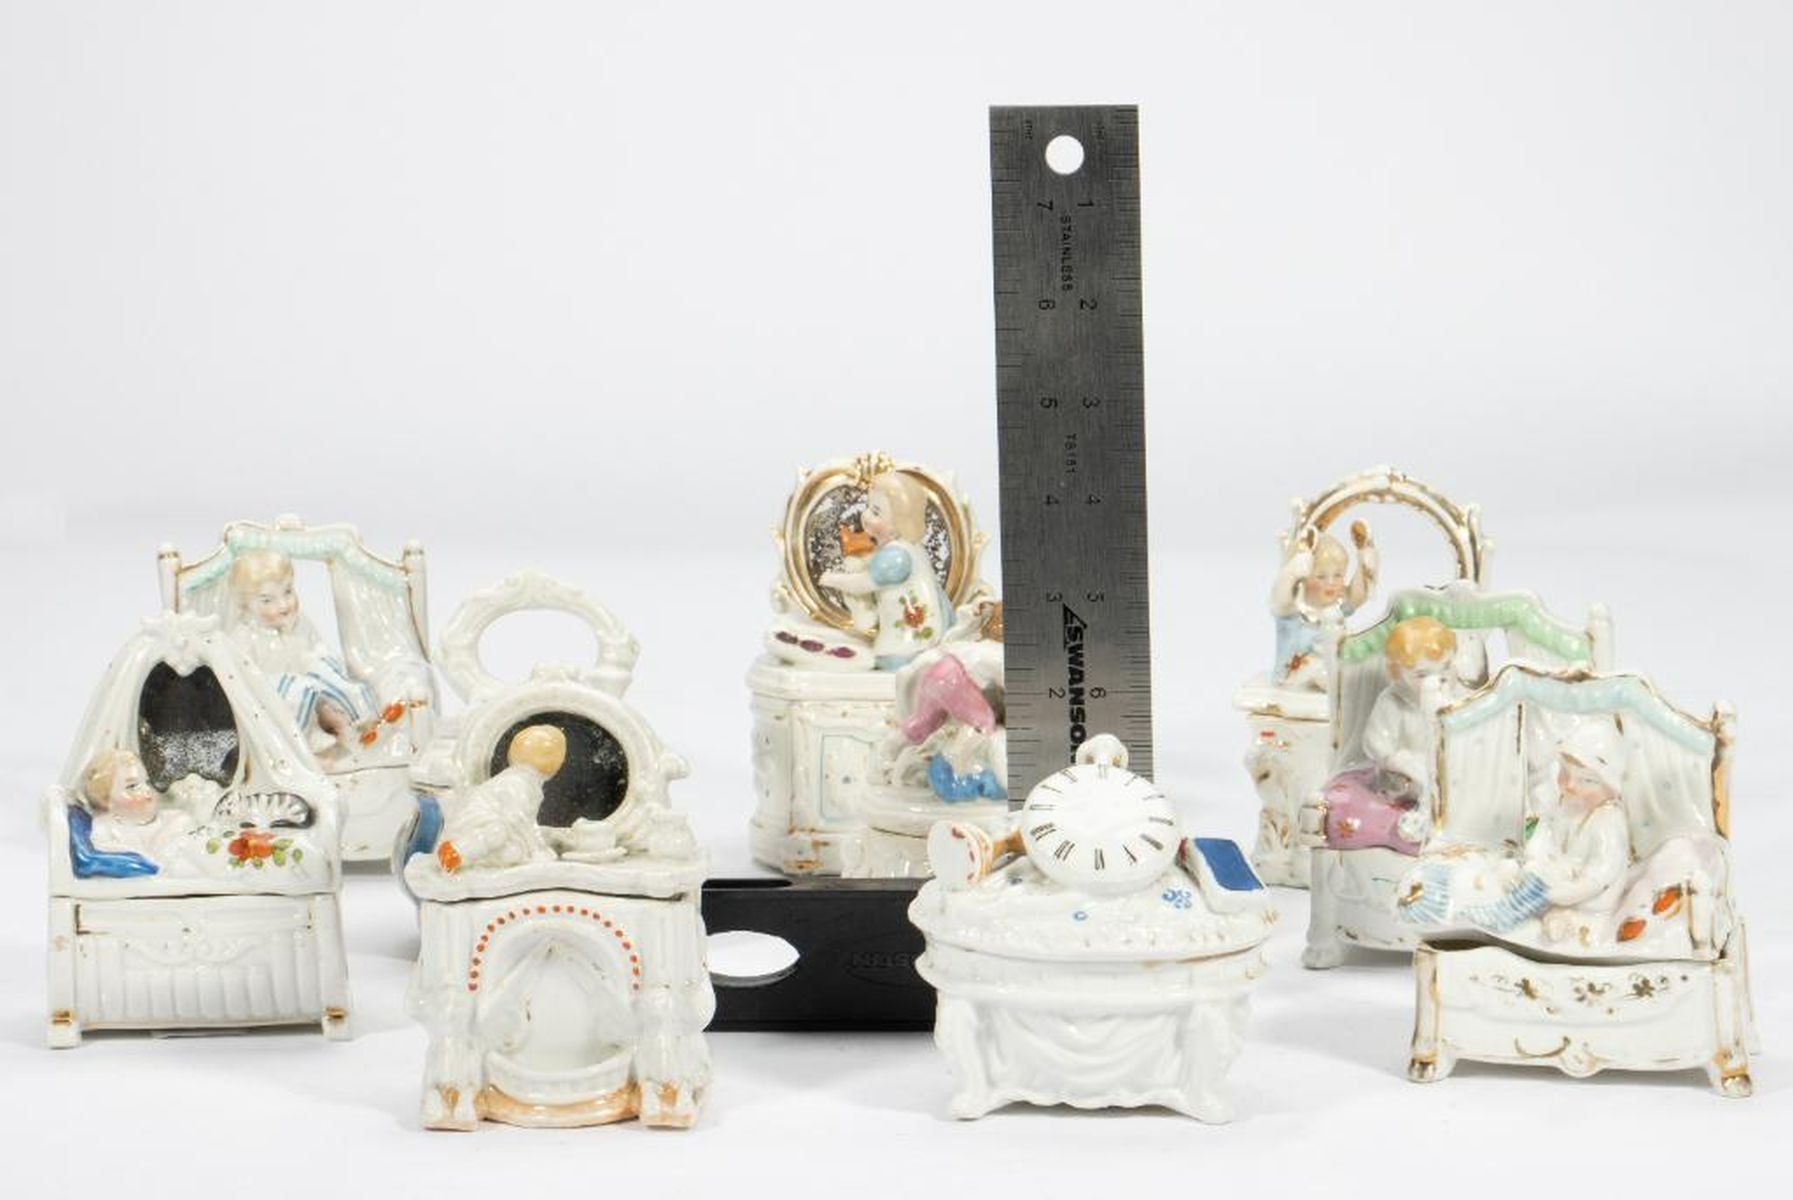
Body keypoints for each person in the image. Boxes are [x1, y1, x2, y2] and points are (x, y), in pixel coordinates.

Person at [1399, 720, 1630, 935]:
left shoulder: (1609, 822)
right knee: (1514, 872)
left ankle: (1506, 915)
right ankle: (1493, 904)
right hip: (1559, 874)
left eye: (1587, 780)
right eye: (1565, 773)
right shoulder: (1566, 803)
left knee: (1539, 888)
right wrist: (1535, 856)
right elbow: (1543, 831)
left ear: (1610, 787)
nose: (1570, 785)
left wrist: (1565, 892)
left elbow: (1601, 874)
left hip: (1587, 896)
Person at [1317, 616, 1461, 853]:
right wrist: (1400, 760)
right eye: (1422, 675)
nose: (1438, 680)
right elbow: (1376, 742)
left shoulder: (1452, 701)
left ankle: (1449, 818)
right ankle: (1422, 821)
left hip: (1442, 768)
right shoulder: (1393, 703)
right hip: (1402, 775)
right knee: (1425, 785)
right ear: (1397, 672)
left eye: (1446, 667)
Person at [227, 550, 389, 757]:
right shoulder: (245, 636)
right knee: (302, 690)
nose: (283, 605)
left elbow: (316, 649)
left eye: (288, 592)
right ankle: (307, 739)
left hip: (314, 693)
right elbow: (245, 680)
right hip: (277, 704)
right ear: (246, 606)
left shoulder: (300, 623)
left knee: (327, 672)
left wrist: (320, 662)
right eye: (267, 600)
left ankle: (362, 718)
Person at [819, 471, 951, 670]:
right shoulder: (909, 549)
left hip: (908, 649)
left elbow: (862, 584)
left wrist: (832, 579)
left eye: (876, 512)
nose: (865, 516)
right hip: (926, 641)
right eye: (868, 507)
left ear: (899, 524)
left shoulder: (896, 556)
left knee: (877, 659)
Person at [435, 725, 566, 873]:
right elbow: (518, 820)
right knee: (498, 832)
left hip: (494, 826)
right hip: (477, 823)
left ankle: (479, 860)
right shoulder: (520, 782)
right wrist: (536, 849)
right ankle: (455, 853)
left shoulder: (528, 782)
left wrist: (536, 846)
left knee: (513, 852)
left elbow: (526, 822)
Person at [1268, 521, 1377, 689]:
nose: (1331, 583)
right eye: (1321, 577)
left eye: (1338, 575)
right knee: (1323, 672)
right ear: (1303, 578)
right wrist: (1294, 569)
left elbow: (1357, 596)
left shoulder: (1335, 608)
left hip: (1331, 672)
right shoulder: (1294, 611)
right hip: (1294, 681)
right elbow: (1280, 598)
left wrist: (1364, 556)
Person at [68, 747, 196, 876]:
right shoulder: (106, 827)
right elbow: (117, 854)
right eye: (132, 786)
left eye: (147, 782)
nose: (146, 789)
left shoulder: (175, 819)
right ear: (106, 800)